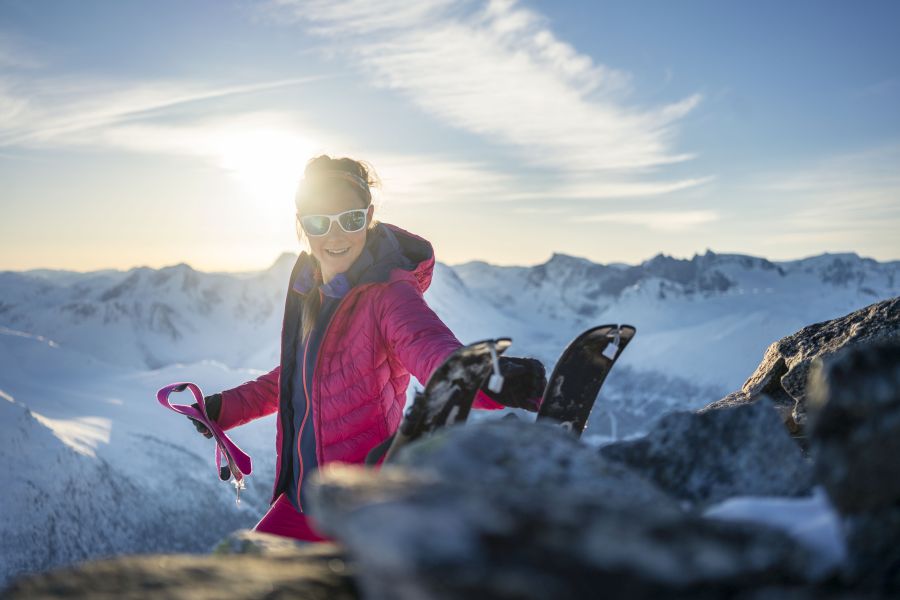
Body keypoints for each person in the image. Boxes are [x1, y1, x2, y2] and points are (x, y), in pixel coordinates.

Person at [189, 155, 547, 542]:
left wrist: (486, 376)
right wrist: (224, 408)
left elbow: (428, 347)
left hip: (361, 499)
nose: (336, 235)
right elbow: (297, 377)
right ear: (302, 224)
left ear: (369, 216)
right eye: (319, 222)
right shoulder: (311, 292)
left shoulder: (390, 295)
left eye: (351, 219)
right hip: (302, 496)